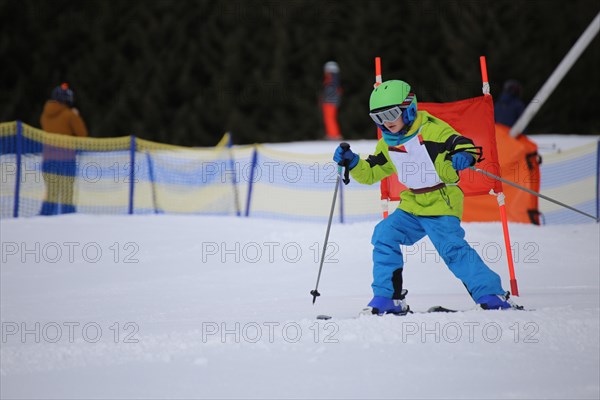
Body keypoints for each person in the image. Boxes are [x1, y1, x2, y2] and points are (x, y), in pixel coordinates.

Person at [333, 80, 521, 315]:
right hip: (413, 204)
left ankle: (491, 294)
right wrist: (352, 161)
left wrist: (464, 156)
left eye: (391, 114)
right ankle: (389, 298)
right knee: (384, 234)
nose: (387, 122)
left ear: (409, 108)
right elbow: (372, 171)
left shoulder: (432, 129)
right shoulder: (388, 143)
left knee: (451, 248)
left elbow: (462, 143)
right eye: (378, 118)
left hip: (442, 200)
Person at [39, 83, 88, 215]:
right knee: (67, 195)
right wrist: (76, 115)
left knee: (51, 194)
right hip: (66, 159)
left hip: (48, 159)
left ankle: (42, 219)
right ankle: (69, 219)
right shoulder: (69, 115)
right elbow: (82, 133)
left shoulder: (45, 115)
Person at [321, 61, 343, 140]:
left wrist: (325, 98)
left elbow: (330, 91)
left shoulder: (331, 80)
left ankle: (334, 135)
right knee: (330, 118)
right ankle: (333, 134)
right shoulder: (334, 79)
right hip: (332, 101)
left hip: (330, 102)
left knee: (329, 118)